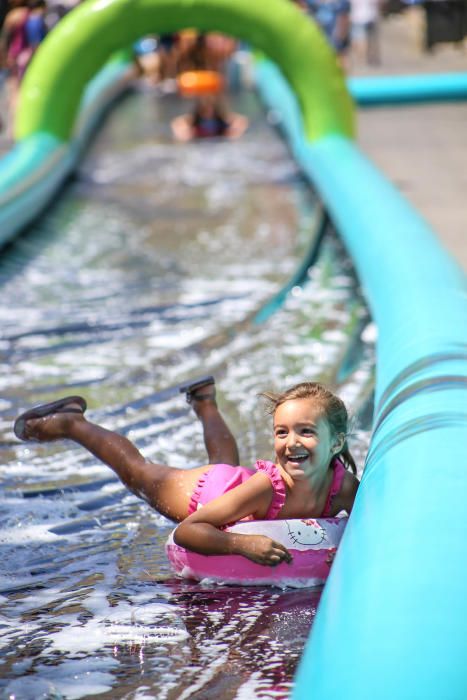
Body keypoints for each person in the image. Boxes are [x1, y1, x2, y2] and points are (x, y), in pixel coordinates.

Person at [13, 377, 360, 567]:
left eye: (306, 432)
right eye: (281, 432)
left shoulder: (342, 487)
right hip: (211, 491)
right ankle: (72, 422)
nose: (290, 442)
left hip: (233, 485)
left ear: (336, 443)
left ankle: (204, 401)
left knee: (224, 459)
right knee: (138, 474)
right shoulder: (266, 488)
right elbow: (187, 531)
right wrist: (240, 543)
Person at [171, 94, 249, 141]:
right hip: (200, 142)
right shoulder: (194, 119)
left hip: (218, 141)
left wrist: (233, 132)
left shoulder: (221, 118)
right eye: (205, 110)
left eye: (210, 110)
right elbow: (176, 122)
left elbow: (243, 120)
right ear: (200, 110)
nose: (208, 113)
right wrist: (184, 133)